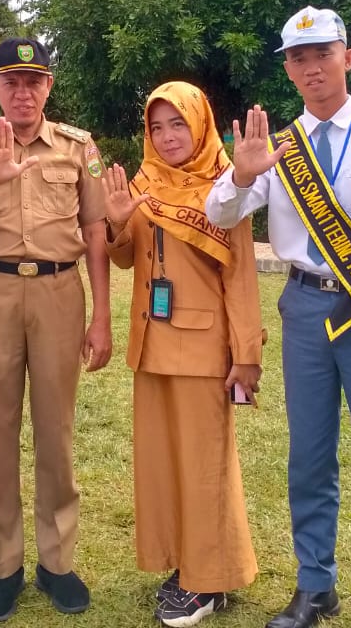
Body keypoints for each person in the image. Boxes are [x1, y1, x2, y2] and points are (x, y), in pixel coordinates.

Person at [205, 7, 351, 628]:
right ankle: (315, 586)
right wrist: (238, 177)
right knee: (308, 457)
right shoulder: (276, 150)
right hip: (304, 307)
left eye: (323, 53)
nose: (312, 67)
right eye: (298, 58)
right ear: (288, 70)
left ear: (347, 58)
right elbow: (220, 214)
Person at [0, 37, 111, 622]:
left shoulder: (78, 148)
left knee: (56, 429)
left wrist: (102, 315)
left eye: (33, 80)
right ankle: (3, 565)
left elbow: (95, 231)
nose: (23, 91)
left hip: (61, 291)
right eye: (10, 80)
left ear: (48, 87)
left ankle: (57, 561)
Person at [103, 81, 262, 628]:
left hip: (203, 347)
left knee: (205, 467)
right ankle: (183, 563)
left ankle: (207, 580)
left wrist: (246, 352)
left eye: (178, 124)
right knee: (165, 467)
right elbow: (124, 259)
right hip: (151, 344)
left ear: (200, 125)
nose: (168, 136)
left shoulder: (228, 182)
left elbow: (240, 273)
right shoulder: (144, 183)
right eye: (157, 126)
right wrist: (117, 220)